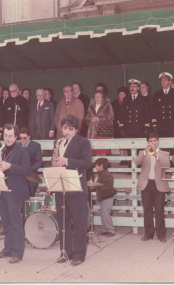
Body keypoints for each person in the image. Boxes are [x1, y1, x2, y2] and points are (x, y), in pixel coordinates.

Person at [53, 114, 92, 266]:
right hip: (60, 187)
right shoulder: (58, 142)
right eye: (64, 128)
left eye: (70, 128)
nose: (66, 131)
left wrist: (66, 161)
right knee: (62, 223)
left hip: (76, 188)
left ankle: (79, 255)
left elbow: (87, 163)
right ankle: (65, 252)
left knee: (79, 223)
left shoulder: (84, 142)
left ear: (76, 129)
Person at [0, 124, 31, 263]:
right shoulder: (1, 149)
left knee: (15, 222)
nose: (7, 138)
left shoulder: (22, 150)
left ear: (16, 136)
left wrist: (10, 166)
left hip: (14, 191)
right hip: (2, 189)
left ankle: (17, 252)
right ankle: (8, 248)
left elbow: (27, 170)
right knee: (6, 222)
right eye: (5, 135)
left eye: (10, 136)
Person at [133, 132, 170, 242]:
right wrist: (145, 152)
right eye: (150, 141)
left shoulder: (164, 153)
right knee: (147, 210)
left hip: (159, 184)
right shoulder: (143, 152)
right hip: (146, 184)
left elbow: (167, 165)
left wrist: (156, 156)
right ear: (147, 142)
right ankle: (148, 233)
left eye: (154, 140)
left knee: (159, 210)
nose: (153, 143)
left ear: (158, 141)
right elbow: (136, 162)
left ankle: (161, 234)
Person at [151, 72, 174, 137]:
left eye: (165, 80)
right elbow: (154, 111)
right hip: (161, 125)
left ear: (170, 82)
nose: (163, 82)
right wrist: (154, 124)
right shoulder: (157, 94)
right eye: (162, 80)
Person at [86, 90, 114, 156]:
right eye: (95, 97)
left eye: (99, 96)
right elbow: (87, 118)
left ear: (102, 98)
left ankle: (103, 166)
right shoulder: (91, 106)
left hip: (103, 131)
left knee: (103, 152)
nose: (97, 98)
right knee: (96, 153)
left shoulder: (107, 104)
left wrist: (99, 119)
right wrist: (91, 119)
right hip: (93, 132)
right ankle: (98, 166)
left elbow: (111, 116)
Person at [94, 158, 115, 237]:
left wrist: (99, 186)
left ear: (101, 166)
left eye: (96, 165)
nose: (95, 167)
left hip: (107, 196)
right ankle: (105, 229)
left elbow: (109, 185)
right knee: (103, 214)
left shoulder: (106, 173)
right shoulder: (101, 173)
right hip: (103, 197)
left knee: (105, 213)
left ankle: (111, 230)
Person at [19, 127, 43, 197]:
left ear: (29, 136)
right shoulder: (17, 146)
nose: (22, 140)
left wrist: (30, 169)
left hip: (31, 177)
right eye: (20, 138)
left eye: (24, 138)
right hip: (20, 178)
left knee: (31, 199)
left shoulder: (36, 146)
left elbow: (39, 162)